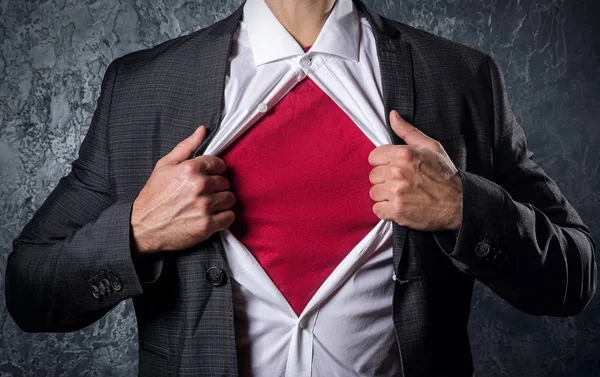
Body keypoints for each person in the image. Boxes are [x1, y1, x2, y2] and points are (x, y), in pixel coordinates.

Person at [4, 0, 597, 376]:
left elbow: (574, 278)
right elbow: (31, 291)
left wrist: (464, 208)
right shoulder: (143, 87)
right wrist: (134, 234)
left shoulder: (461, 78)